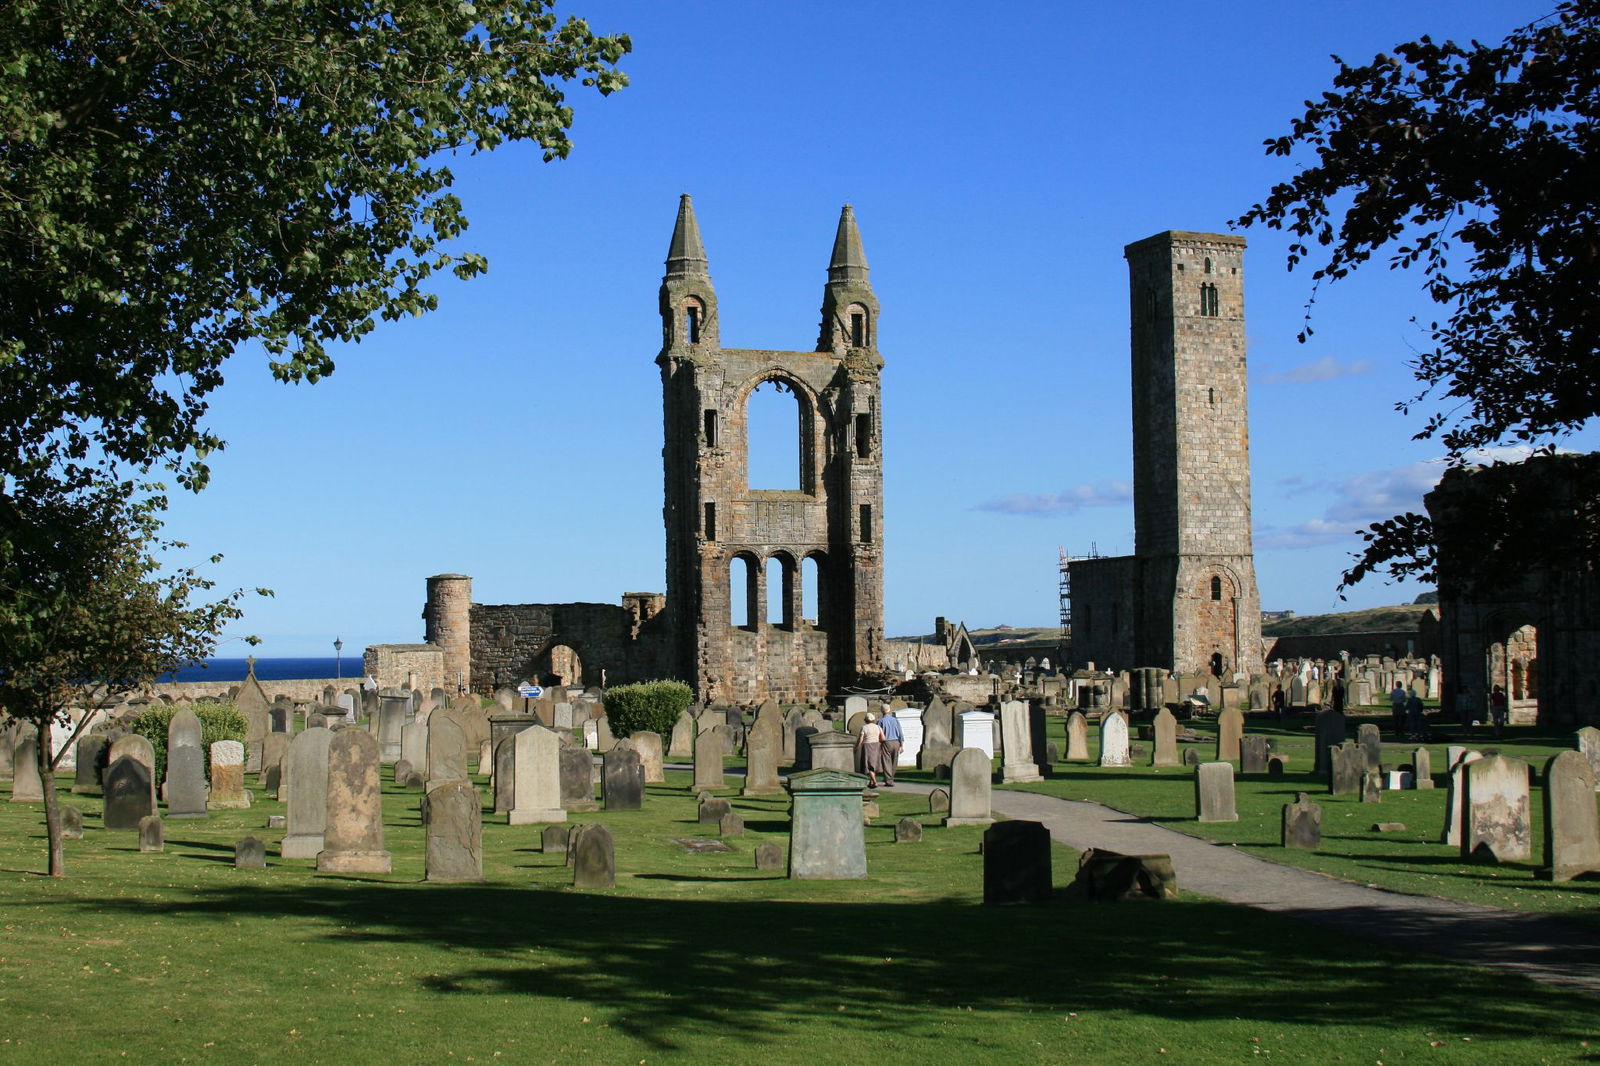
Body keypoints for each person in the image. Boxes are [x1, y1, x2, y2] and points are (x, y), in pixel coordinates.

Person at [856, 713, 885, 789]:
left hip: (867, 745)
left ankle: (874, 782)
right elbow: (883, 738)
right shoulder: (878, 727)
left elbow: (861, 739)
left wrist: (857, 747)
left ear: (866, 720)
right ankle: (871, 782)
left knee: (868, 765)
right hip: (876, 745)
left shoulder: (864, 727)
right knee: (873, 764)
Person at [877, 707, 903, 787]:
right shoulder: (895, 720)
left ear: (882, 711)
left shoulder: (880, 721)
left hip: (886, 742)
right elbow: (900, 732)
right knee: (894, 761)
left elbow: (879, 734)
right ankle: (891, 778)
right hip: (896, 741)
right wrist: (901, 744)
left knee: (886, 761)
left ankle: (889, 780)